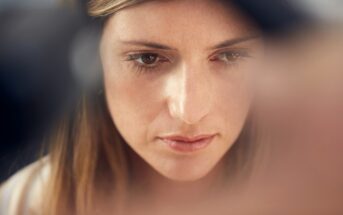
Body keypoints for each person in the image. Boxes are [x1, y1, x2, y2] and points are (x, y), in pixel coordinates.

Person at [0, 0, 262, 214]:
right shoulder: (23, 205)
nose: (189, 112)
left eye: (230, 56)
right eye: (148, 59)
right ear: (90, 61)